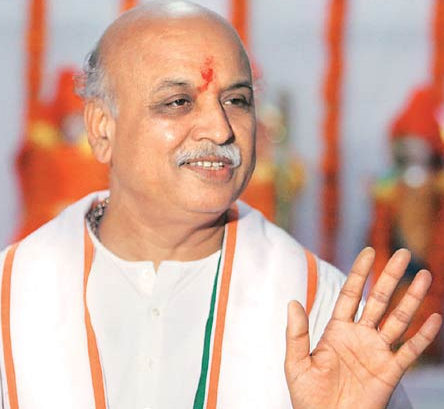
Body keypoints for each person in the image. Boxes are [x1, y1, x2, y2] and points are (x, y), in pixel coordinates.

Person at [0, 2, 441, 408]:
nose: (220, 128)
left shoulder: (318, 303)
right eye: (178, 102)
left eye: (236, 101)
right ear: (101, 129)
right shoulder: (12, 292)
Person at [369, 85, 444, 361]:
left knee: (425, 295)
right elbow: (381, 221)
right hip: (399, 249)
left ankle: (422, 346)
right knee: (399, 294)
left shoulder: (435, 182)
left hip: (428, 254)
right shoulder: (392, 183)